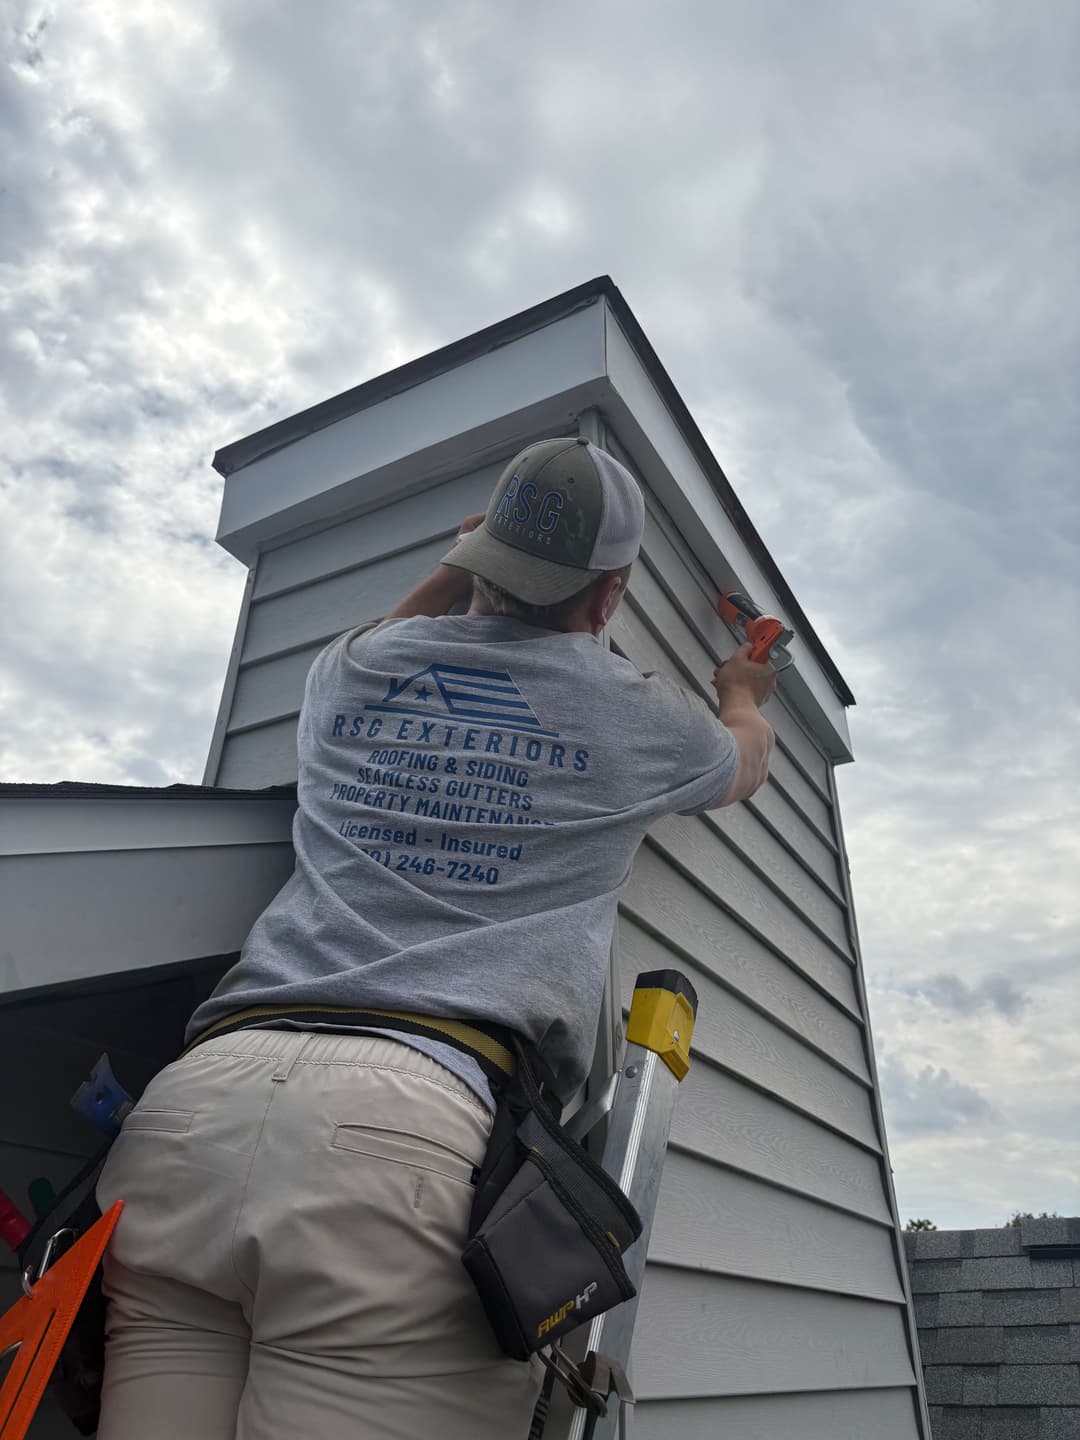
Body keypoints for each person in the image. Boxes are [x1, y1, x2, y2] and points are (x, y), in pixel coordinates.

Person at [95, 436, 776, 1440]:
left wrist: (463, 560)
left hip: (194, 1109)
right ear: (609, 599)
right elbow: (743, 767)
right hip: (408, 1128)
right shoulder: (632, 713)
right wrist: (740, 697)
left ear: (482, 563)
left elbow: (389, 627)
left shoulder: (351, 671)